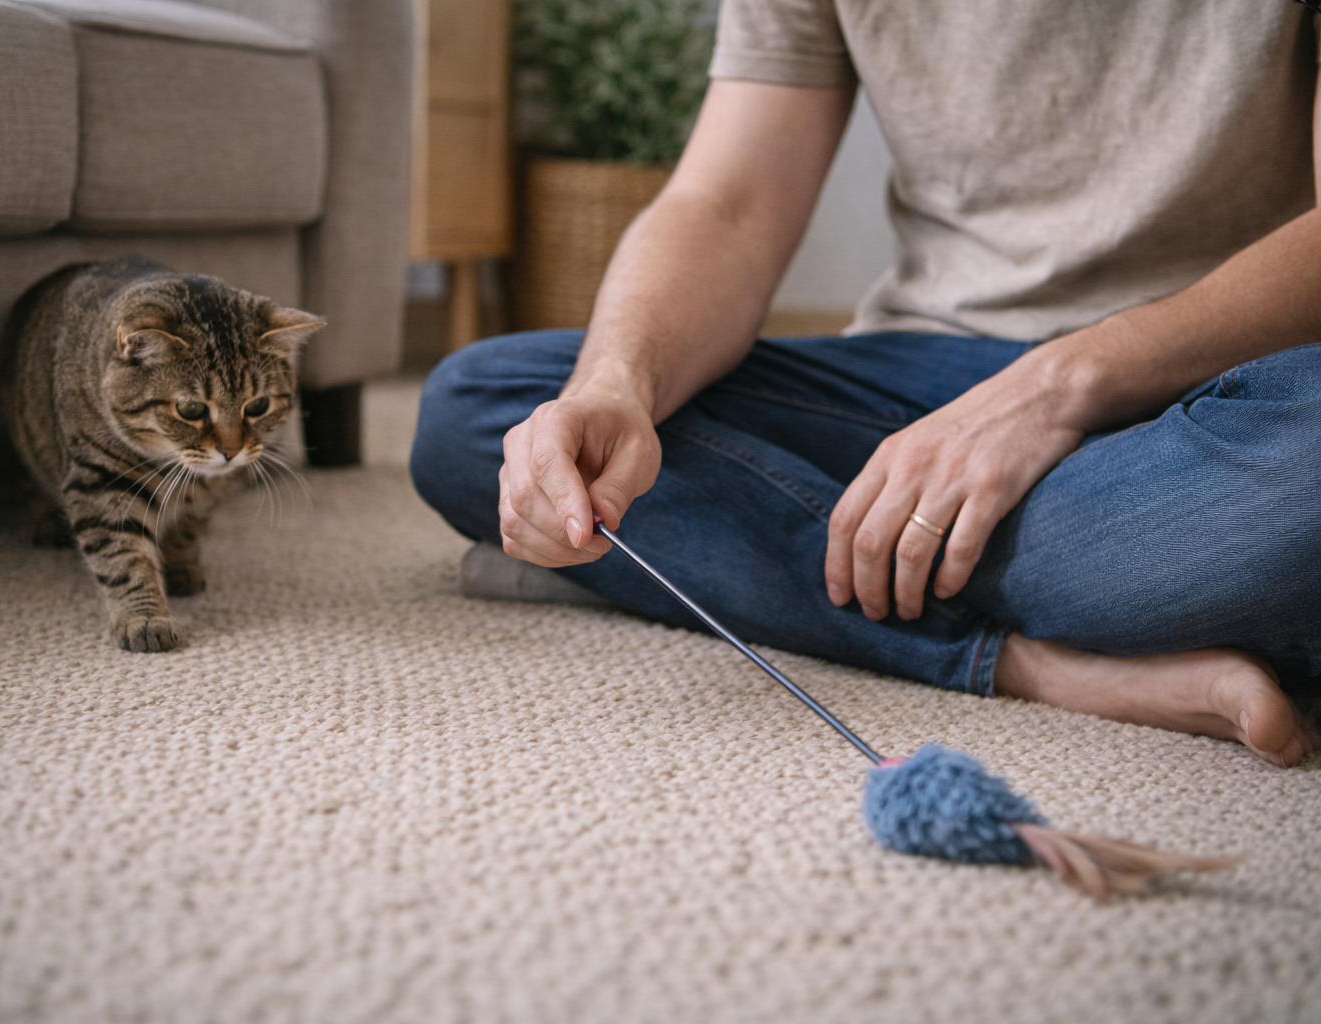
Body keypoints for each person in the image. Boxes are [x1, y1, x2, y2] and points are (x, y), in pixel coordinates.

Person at [411, 0, 1321, 767]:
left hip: (1224, 379)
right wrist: (615, 390)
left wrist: (1054, 388)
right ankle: (1034, 663)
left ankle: (769, 570)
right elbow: (724, 206)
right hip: (921, 378)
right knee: (488, 409)